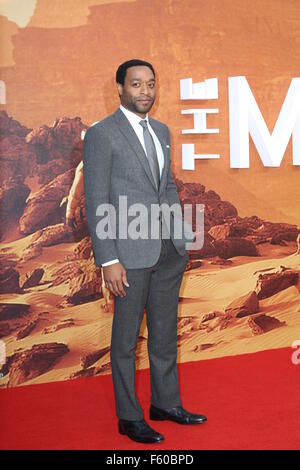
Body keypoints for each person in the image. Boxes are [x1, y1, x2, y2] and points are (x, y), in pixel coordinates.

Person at [83, 59, 207, 444]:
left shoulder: (161, 130)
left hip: (167, 252)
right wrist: (108, 259)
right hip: (128, 256)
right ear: (119, 87)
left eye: (151, 84)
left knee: (165, 333)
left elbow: (165, 188)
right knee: (125, 340)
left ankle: (166, 403)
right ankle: (128, 416)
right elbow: (95, 199)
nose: (145, 92)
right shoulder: (102, 134)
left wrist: (182, 238)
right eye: (136, 84)